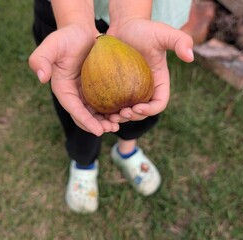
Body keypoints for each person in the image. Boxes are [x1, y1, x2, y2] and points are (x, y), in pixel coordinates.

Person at [29, 0, 194, 213]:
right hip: (65, 10)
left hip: (145, 13)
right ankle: (84, 162)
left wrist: (131, 17)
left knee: (140, 106)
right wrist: (74, 20)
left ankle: (126, 149)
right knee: (78, 108)